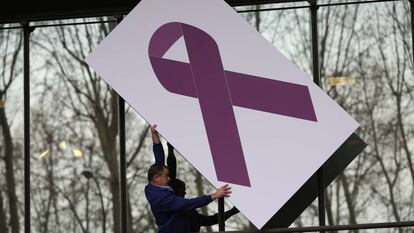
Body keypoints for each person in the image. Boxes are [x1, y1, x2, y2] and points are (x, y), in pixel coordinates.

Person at [146, 125, 239, 233]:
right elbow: (187, 204)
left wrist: (154, 135)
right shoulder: (165, 200)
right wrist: (214, 196)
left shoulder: (157, 185)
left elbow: (160, 161)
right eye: (167, 176)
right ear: (157, 178)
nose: (185, 192)